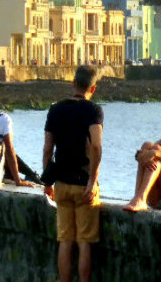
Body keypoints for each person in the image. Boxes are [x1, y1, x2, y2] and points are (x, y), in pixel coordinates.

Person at [42, 64, 104, 282]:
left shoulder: (55, 109)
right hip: (83, 184)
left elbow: (48, 148)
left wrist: (47, 181)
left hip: (61, 183)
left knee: (65, 240)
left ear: (73, 84)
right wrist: (92, 182)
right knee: (84, 242)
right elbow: (96, 146)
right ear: (93, 89)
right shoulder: (93, 111)